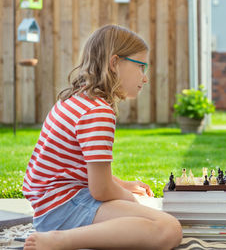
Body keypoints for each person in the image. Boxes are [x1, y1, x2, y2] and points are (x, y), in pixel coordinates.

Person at [23, 25, 182, 250]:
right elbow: (100, 190)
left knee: (149, 217)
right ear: (115, 63)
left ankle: (60, 235)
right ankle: (60, 241)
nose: (144, 78)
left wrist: (123, 185)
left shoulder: (76, 99)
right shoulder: (97, 112)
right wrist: (128, 198)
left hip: (52, 204)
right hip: (63, 208)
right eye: (141, 67)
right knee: (168, 228)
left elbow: (81, 171)